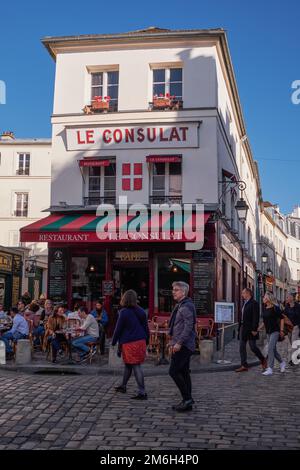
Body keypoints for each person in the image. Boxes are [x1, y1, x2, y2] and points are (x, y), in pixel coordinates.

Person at [112, 290, 149, 400]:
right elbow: (145, 328)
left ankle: (142, 392)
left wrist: (113, 342)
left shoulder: (123, 312)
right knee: (129, 364)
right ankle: (123, 386)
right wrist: (147, 341)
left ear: (124, 299)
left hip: (129, 342)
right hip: (140, 341)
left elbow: (118, 329)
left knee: (136, 365)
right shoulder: (142, 311)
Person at [168, 281, 196, 412]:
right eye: (173, 289)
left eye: (176, 290)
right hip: (183, 343)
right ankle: (188, 401)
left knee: (173, 371)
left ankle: (187, 399)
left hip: (184, 345)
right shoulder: (181, 305)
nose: (173, 291)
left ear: (183, 292)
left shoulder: (186, 306)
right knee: (184, 372)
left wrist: (178, 342)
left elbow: (188, 327)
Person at [235, 288, 267, 373]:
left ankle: (263, 359)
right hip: (243, 327)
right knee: (242, 346)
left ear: (248, 293)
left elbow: (255, 317)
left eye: (243, 293)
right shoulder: (244, 303)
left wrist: (254, 329)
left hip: (250, 328)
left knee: (253, 347)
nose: (242, 295)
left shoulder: (254, 303)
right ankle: (244, 365)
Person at [258, 291, 286, 376]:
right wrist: (260, 327)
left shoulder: (275, 308)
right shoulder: (265, 308)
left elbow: (282, 318)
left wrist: (281, 330)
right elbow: (265, 321)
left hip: (275, 331)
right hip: (268, 332)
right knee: (273, 349)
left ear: (268, 299)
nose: (263, 299)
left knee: (270, 348)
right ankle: (282, 362)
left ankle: (270, 368)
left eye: (264, 298)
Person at [283, 293, 300, 366]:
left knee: (294, 343)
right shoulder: (287, 306)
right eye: (286, 297)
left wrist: (298, 325)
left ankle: (294, 359)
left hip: (296, 326)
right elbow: (284, 315)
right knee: (292, 342)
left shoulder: (298, 306)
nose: (286, 298)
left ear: (292, 298)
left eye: (288, 297)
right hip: (289, 327)